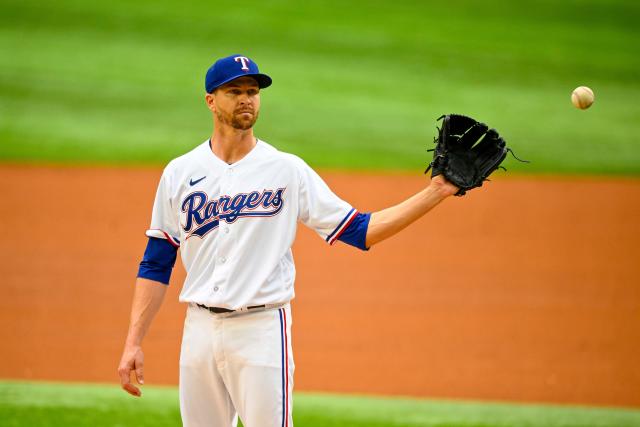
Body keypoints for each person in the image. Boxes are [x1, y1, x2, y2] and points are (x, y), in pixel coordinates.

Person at [117, 54, 458, 427]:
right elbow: (156, 261)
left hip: (261, 330)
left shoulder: (286, 170)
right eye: (235, 91)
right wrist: (134, 341)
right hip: (198, 330)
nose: (247, 99)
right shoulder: (180, 172)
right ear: (210, 100)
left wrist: (435, 192)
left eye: (253, 91)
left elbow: (360, 230)